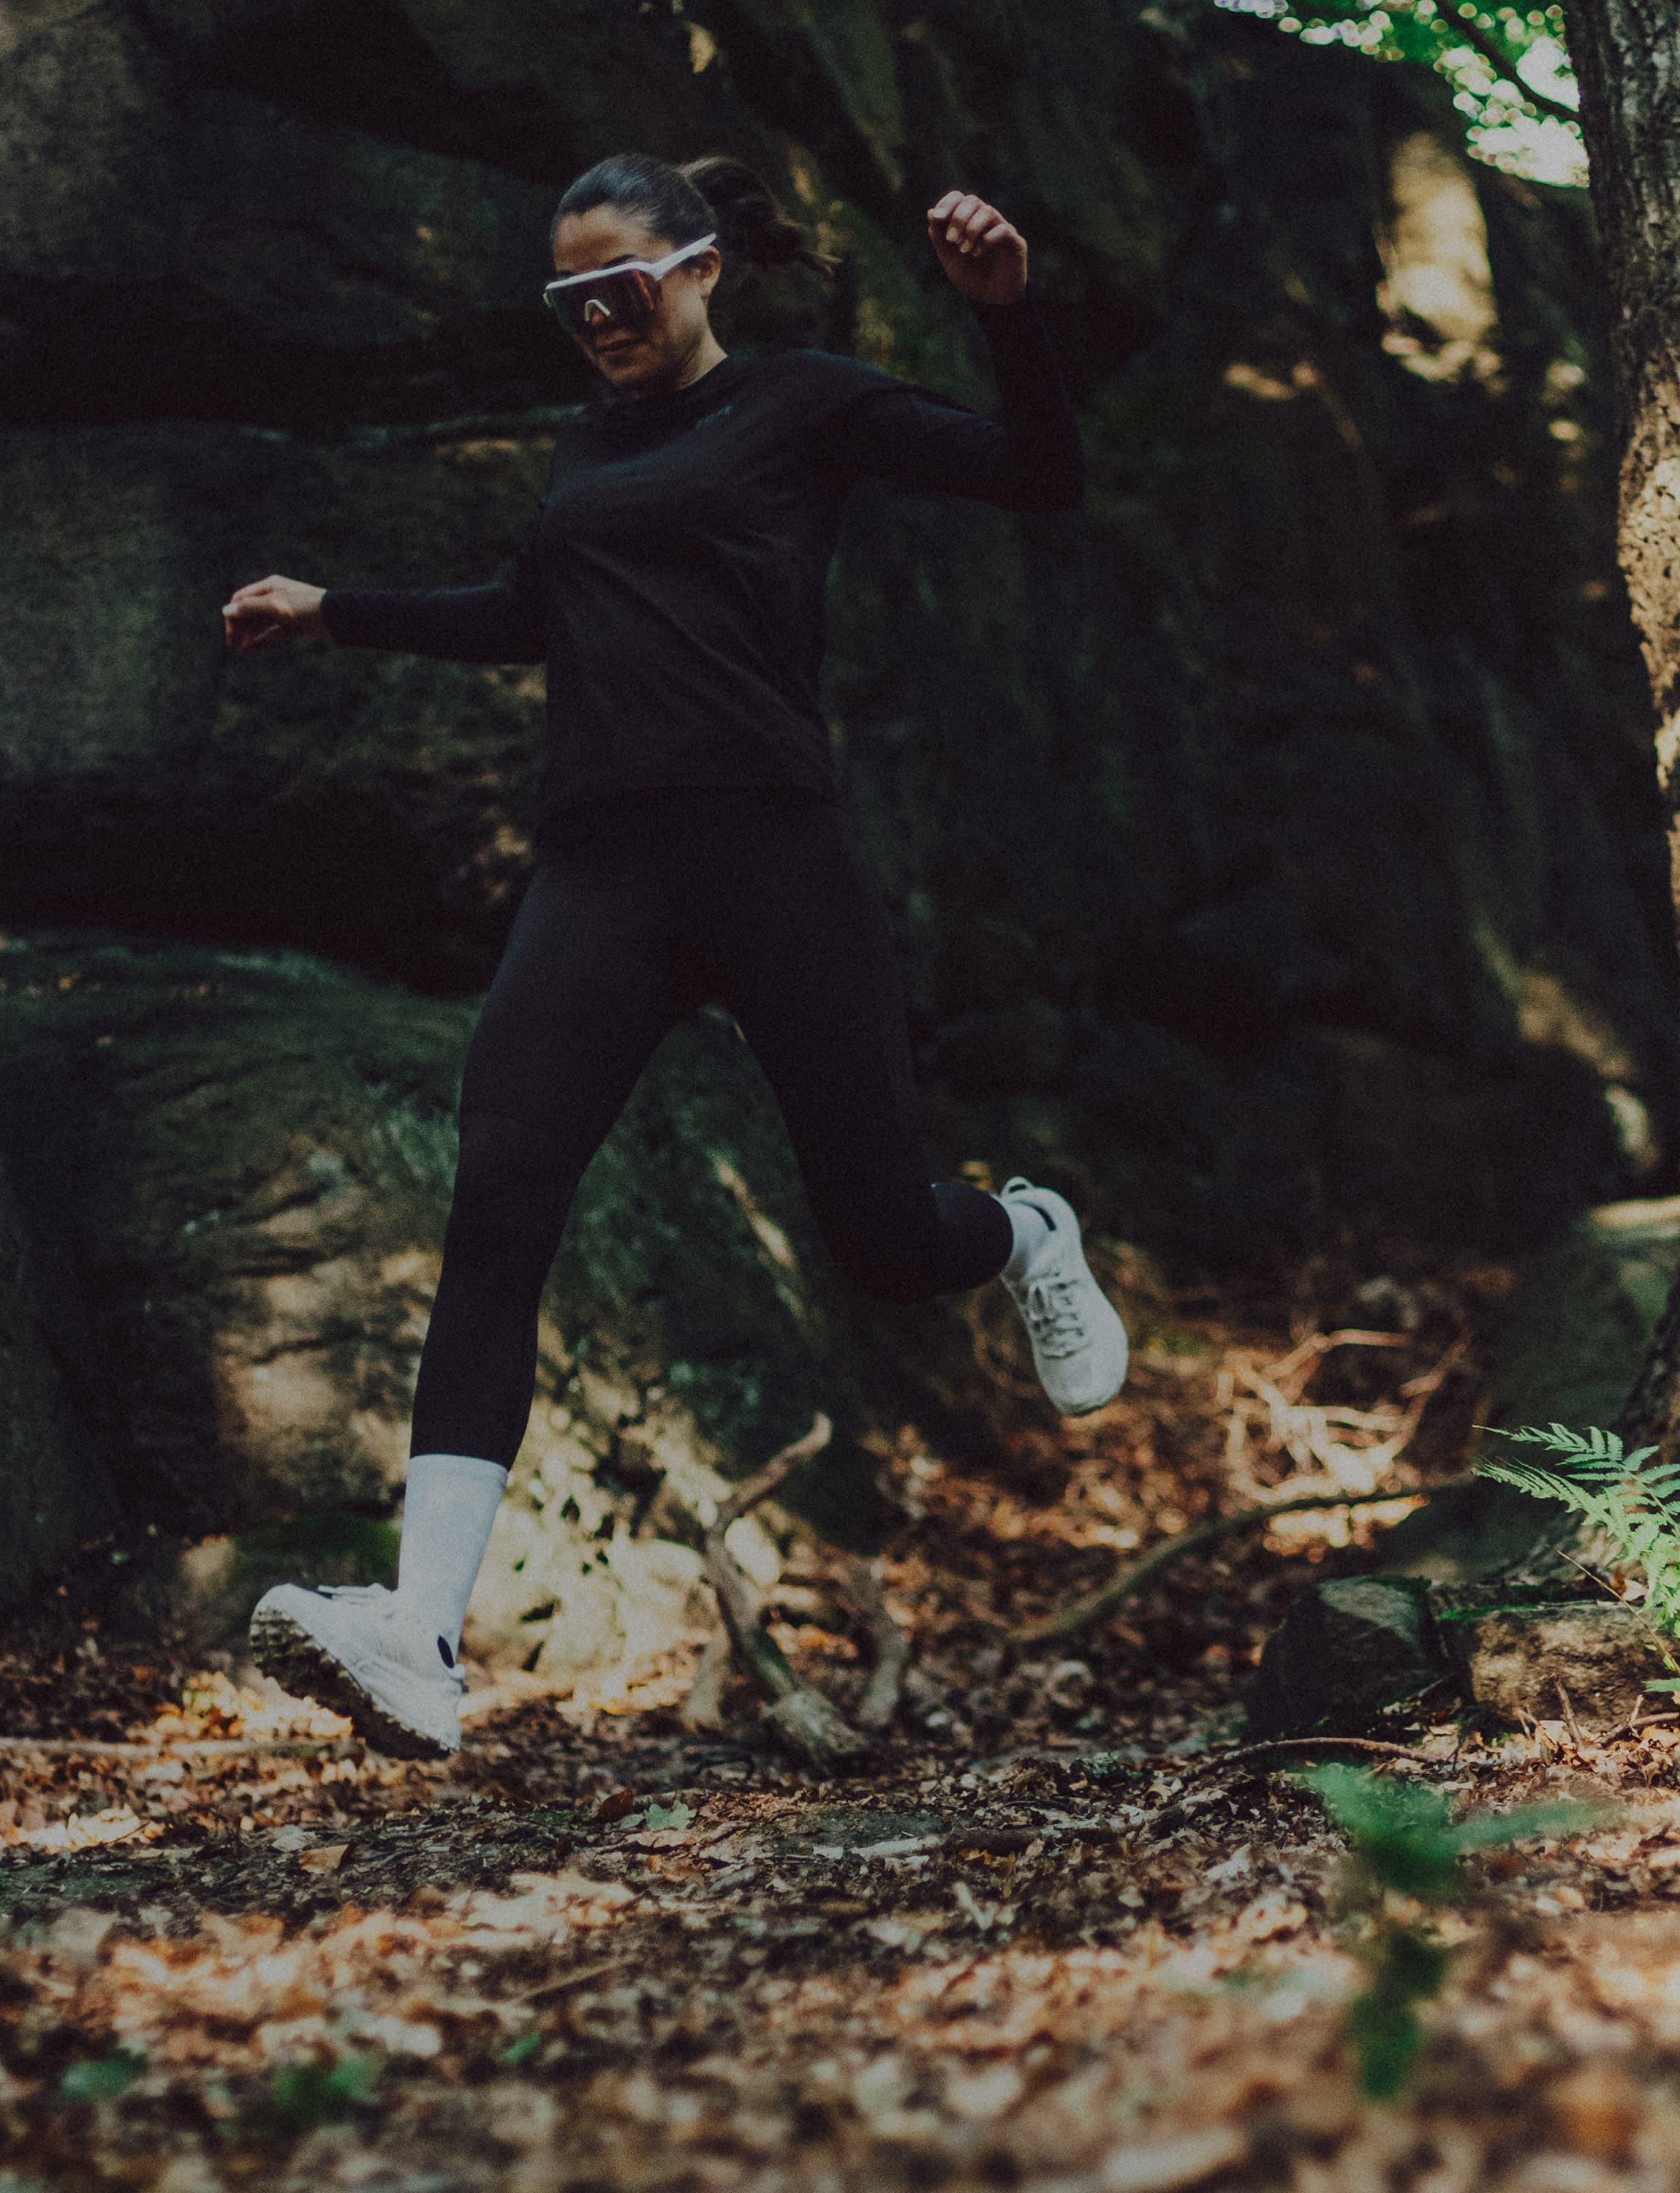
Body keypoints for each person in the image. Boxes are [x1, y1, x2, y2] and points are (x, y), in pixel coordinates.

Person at [219, 153, 1127, 1762]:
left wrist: (1010, 319)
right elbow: (534, 614)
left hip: (773, 854)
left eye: (621, 288)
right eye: (568, 304)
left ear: (699, 269)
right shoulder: (585, 449)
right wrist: (335, 610)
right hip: (604, 870)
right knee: (501, 1199)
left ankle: (1026, 1230)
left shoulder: (804, 404)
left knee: (885, 1243)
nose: (597, 323)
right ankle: (421, 1637)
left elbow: (1038, 479)